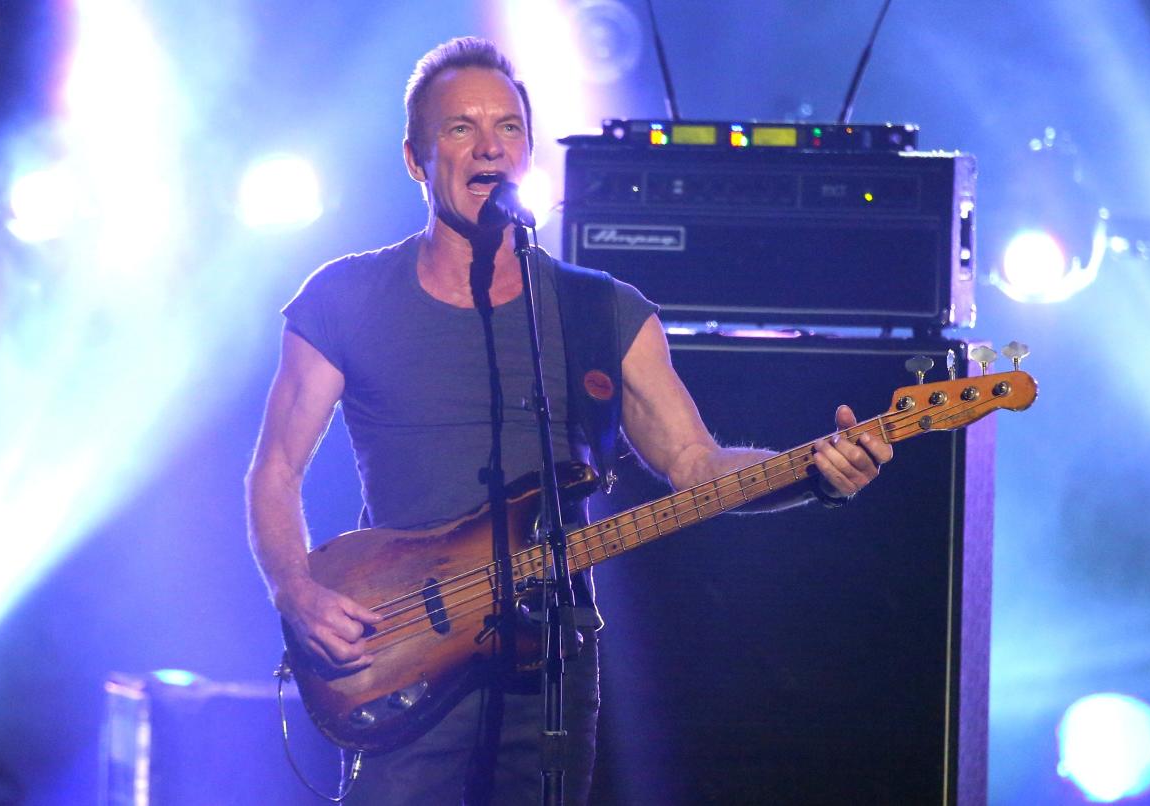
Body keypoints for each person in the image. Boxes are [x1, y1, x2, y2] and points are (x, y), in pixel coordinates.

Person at [245, 36, 893, 805]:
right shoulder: (344, 298)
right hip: (404, 650)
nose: (489, 146)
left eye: (508, 127)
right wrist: (296, 589)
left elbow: (693, 464)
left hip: (547, 664)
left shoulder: (601, 309)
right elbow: (275, 469)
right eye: (460, 128)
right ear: (416, 159)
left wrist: (809, 474)